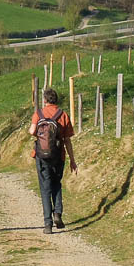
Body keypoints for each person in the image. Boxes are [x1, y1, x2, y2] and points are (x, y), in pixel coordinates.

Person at [29, 88, 77, 234]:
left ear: (45, 100)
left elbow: (31, 132)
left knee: (45, 187)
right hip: (58, 155)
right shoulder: (63, 115)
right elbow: (67, 140)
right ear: (56, 100)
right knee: (56, 184)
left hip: (42, 156)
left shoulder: (39, 114)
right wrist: (72, 160)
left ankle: (47, 224)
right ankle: (58, 214)